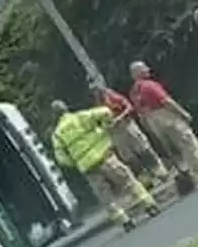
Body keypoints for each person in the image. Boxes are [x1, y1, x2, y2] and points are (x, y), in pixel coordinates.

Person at [50, 99, 158, 231]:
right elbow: (106, 112)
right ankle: (149, 205)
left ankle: (125, 221)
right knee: (127, 181)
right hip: (105, 157)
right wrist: (105, 128)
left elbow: (61, 158)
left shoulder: (57, 134)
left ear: (54, 116)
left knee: (106, 197)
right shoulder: (81, 117)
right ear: (65, 108)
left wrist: (77, 162)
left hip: (88, 168)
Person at [128, 61, 198, 189]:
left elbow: (140, 114)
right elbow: (166, 101)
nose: (148, 70)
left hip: (153, 121)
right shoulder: (149, 85)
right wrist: (183, 113)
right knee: (188, 143)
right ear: (138, 72)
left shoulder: (133, 92)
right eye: (144, 69)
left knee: (181, 147)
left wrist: (150, 129)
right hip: (165, 116)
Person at [92, 83, 172, 190]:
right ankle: (145, 180)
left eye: (97, 90)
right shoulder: (96, 108)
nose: (96, 93)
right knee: (129, 157)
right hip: (115, 133)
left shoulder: (113, 97)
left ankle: (159, 171)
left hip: (127, 125)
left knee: (143, 149)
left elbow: (129, 107)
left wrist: (120, 117)